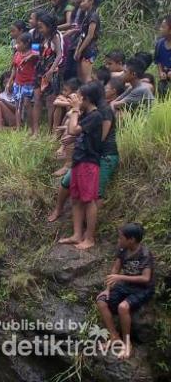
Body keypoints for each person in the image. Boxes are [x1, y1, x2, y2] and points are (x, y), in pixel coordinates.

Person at [95, 223, 154, 361]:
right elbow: (115, 270)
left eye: (121, 237)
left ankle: (127, 344)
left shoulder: (145, 254)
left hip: (143, 288)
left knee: (123, 307)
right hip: (126, 285)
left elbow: (146, 278)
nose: (118, 240)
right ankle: (114, 336)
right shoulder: (123, 249)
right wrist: (107, 289)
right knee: (101, 300)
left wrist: (120, 277)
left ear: (131, 239)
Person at [58, 82, 104, 250]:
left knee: (88, 200)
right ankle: (77, 234)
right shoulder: (87, 115)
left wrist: (75, 109)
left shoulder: (95, 115)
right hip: (79, 160)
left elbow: (73, 129)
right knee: (76, 199)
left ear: (87, 99)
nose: (76, 99)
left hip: (88, 162)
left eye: (79, 96)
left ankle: (89, 238)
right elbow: (76, 132)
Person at [6, 33, 38, 130]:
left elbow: (39, 54)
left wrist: (30, 56)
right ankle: (19, 127)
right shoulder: (17, 54)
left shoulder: (33, 53)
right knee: (17, 105)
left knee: (27, 104)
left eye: (19, 43)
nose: (16, 45)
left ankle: (31, 127)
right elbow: (14, 69)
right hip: (18, 83)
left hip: (28, 83)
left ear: (27, 44)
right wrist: (10, 81)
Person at [74, 0, 100, 82]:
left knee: (86, 79)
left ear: (91, 1)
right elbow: (82, 35)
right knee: (81, 78)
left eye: (83, 1)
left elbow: (90, 36)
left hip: (89, 50)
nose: (81, 3)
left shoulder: (93, 16)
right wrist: (77, 50)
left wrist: (80, 50)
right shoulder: (86, 16)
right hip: (83, 48)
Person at [155, 15, 171, 99]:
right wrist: (160, 72)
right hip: (164, 79)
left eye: (163, 27)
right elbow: (158, 60)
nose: (160, 29)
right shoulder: (159, 44)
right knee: (161, 91)